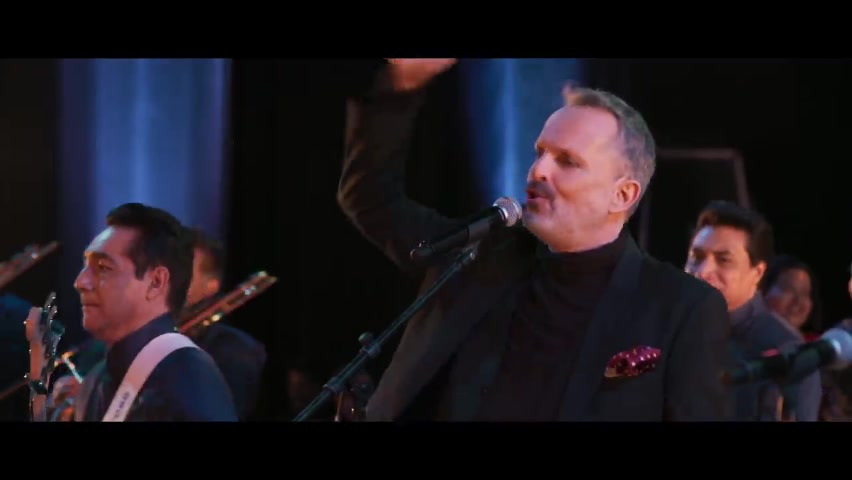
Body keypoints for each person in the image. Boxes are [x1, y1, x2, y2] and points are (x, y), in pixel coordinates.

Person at [336, 58, 732, 421]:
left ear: (623, 194)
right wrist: (398, 87)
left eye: (567, 161)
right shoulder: (478, 253)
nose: (539, 170)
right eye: (539, 152)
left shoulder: (678, 307)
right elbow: (370, 199)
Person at [27, 202, 238, 421]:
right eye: (85, 266)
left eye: (103, 268)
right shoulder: (95, 381)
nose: (80, 282)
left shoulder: (189, 378)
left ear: (156, 282)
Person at [684, 200, 822, 421]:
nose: (702, 271)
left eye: (723, 260)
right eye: (696, 257)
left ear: (757, 273)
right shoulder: (669, 331)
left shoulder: (785, 352)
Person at [760, 254, 848, 421]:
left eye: (805, 293)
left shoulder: (823, 353)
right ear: (762, 292)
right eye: (788, 290)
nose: (798, 301)